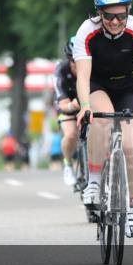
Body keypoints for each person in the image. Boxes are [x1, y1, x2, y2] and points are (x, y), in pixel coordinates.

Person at [75, 0, 133, 238]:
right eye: (109, 15)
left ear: (128, 12)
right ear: (99, 14)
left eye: (121, 15)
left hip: (130, 86)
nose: (115, 21)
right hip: (97, 84)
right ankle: (93, 180)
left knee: (131, 145)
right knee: (100, 121)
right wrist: (85, 107)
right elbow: (82, 77)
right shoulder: (87, 31)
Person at [54, 37, 81, 186]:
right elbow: (63, 104)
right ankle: (68, 165)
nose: (77, 65)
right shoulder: (61, 71)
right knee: (71, 134)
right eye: (73, 61)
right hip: (68, 104)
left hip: (88, 103)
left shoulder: (95, 67)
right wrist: (73, 106)